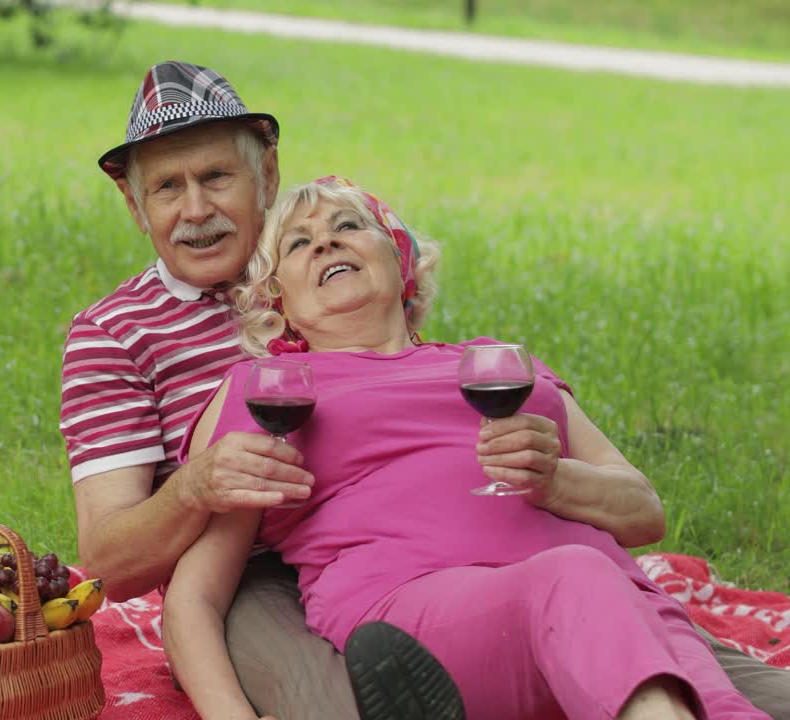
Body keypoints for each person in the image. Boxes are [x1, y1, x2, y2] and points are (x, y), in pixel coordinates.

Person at [61, 60, 790, 719]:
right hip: (296, 576)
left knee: (707, 672)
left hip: (565, 577)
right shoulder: (168, 353)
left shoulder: (475, 360)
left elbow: (637, 507)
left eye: (216, 178)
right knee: (337, 700)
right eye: (166, 188)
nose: (194, 209)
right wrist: (196, 489)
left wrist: (548, 475)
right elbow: (124, 565)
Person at [162, 175, 776, 719]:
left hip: (621, 607)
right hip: (423, 621)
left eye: (349, 225)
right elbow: (197, 595)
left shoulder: (497, 366)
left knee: (718, 703)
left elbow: (645, 512)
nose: (326, 242)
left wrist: (557, 480)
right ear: (280, 302)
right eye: (299, 243)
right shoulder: (275, 392)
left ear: (401, 261)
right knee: (577, 579)